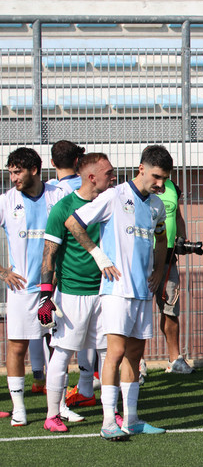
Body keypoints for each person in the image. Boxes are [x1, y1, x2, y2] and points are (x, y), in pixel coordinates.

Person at [66, 145, 172, 439]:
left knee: (136, 357)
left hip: (141, 292)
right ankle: (108, 422)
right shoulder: (114, 195)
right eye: (156, 177)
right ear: (141, 169)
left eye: (165, 179)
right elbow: (73, 222)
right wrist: (99, 256)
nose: (161, 184)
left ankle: (132, 419)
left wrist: (159, 270)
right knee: (114, 353)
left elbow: (162, 239)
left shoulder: (156, 205)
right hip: (116, 291)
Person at [41, 152, 116, 432]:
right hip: (73, 293)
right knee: (62, 352)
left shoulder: (111, 202)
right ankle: (52, 415)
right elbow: (49, 254)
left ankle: (112, 413)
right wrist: (46, 296)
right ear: (92, 177)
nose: (113, 176)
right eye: (108, 173)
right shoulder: (63, 208)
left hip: (107, 292)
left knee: (108, 352)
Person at [0, 147, 67, 427]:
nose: (13, 177)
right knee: (16, 347)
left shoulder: (58, 195)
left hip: (51, 291)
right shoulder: (6, 201)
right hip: (22, 293)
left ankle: (58, 406)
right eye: (11, 172)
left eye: (18, 172)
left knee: (56, 344)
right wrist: (3, 271)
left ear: (35, 170)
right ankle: (19, 408)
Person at [29, 140, 86, 396]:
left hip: (52, 272)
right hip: (84, 272)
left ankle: (44, 382)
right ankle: (86, 383)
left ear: (52, 163)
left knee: (50, 332)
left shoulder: (50, 192)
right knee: (88, 332)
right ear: (78, 161)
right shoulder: (90, 189)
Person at [155, 178, 193, 374]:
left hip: (168, 259)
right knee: (138, 313)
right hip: (144, 259)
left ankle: (175, 360)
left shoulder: (172, 188)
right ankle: (137, 363)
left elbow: (177, 216)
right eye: (157, 175)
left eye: (165, 175)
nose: (161, 181)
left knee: (171, 308)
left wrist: (182, 238)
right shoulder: (135, 191)